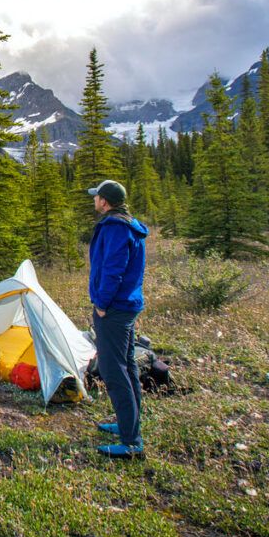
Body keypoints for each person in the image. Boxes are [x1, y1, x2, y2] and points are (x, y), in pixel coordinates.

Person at [87, 179, 148, 458]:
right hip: (127, 305)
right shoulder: (129, 225)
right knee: (128, 365)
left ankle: (131, 442)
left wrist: (101, 303)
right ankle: (128, 424)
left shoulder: (114, 228)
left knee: (113, 371)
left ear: (106, 201)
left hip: (114, 308)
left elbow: (113, 268)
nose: (94, 201)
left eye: (97, 197)